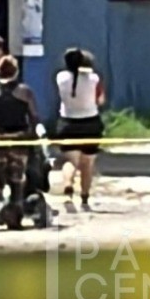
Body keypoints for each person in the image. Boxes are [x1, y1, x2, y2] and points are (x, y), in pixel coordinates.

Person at [0, 56, 40, 224]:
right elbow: (34, 116)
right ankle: (16, 209)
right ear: (16, 71)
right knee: (17, 178)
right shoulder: (25, 92)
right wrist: (34, 135)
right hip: (19, 141)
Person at [55, 47, 106, 211]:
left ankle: (68, 186)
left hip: (68, 123)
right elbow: (101, 100)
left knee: (71, 161)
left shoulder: (61, 78)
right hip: (90, 123)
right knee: (87, 163)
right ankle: (84, 198)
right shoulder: (94, 79)